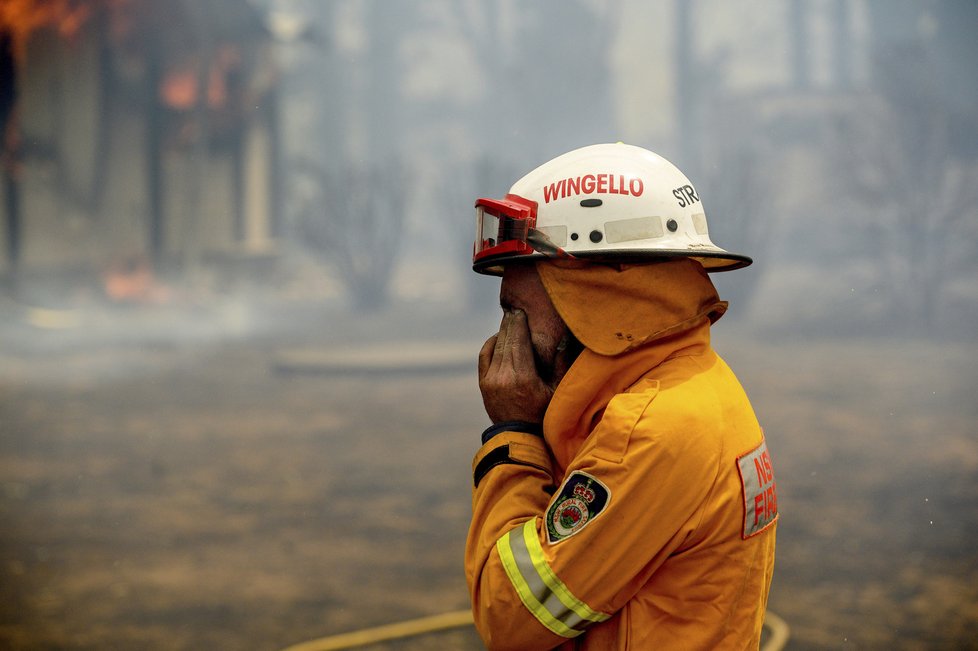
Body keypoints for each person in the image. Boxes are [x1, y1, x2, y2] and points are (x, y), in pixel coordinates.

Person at [465, 143, 778, 650]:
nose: (505, 339)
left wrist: (514, 435)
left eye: (515, 309)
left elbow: (512, 615)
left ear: (591, 298)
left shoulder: (651, 432)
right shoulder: (689, 382)